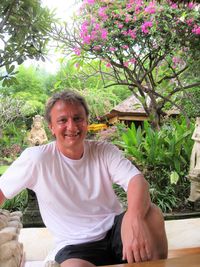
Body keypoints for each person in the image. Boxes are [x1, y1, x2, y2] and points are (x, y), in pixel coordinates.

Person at [0, 90, 168, 267]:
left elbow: (136, 181)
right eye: (63, 120)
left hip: (115, 230)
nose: (72, 127)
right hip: (75, 246)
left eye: (78, 118)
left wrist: (134, 218)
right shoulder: (37, 159)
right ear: (51, 127)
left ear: (87, 122)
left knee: (152, 214)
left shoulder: (103, 151)